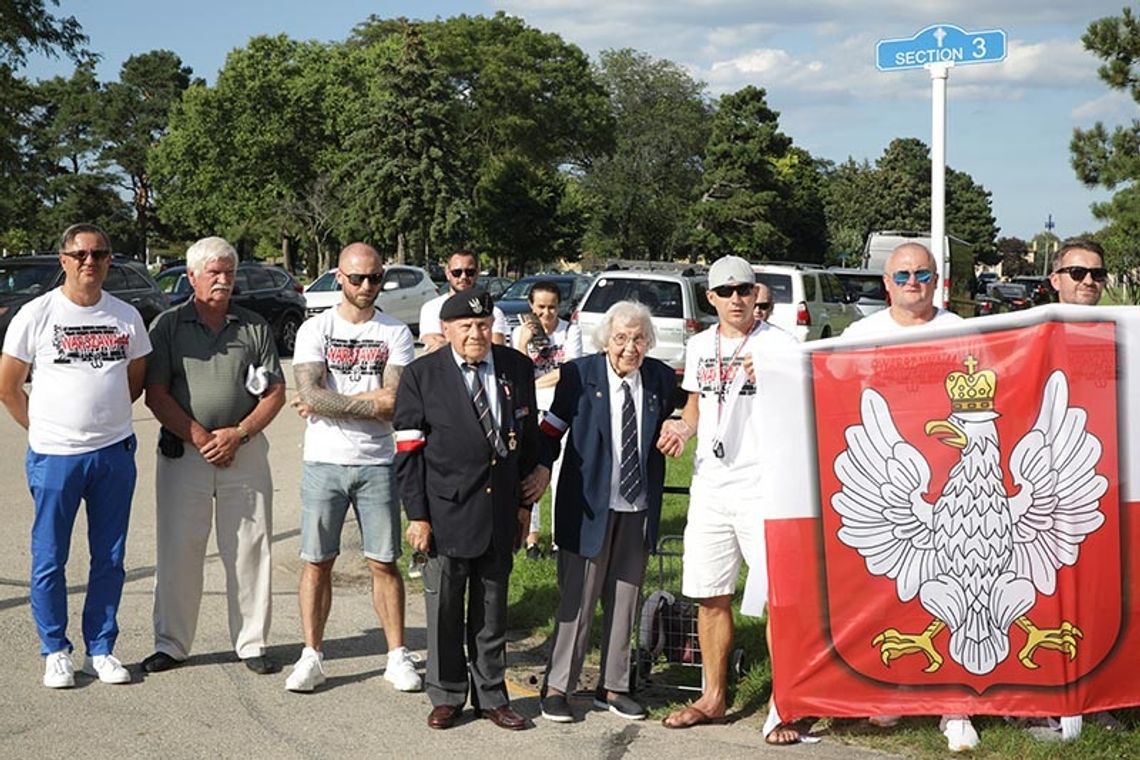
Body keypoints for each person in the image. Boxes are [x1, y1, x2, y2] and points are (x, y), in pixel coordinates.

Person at [655, 256, 800, 743]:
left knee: (779, 599)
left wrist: (780, 374)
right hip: (711, 484)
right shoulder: (699, 345)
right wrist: (682, 426)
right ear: (711, 297)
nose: (737, 299)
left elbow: (807, 403)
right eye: (727, 291)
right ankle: (713, 696)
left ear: (756, 294)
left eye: (744, 290)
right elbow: (695, 404)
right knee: (710, 592)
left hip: (764, 484)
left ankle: (785, 703)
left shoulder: (781, 344)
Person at [0, 223, 151, 688]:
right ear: (63, 260)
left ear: (109, 261)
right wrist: (44, 429)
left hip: (112, 454)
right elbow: (8, 386)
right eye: (81, 254)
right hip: (55, 456)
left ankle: (101, 648)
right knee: (50, 557)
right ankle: (55, 650)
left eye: (100, 254)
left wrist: (101, 419)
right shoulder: (36, 314)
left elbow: (136, 380)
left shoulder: (126, 316)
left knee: (110, 556)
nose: (91, 261)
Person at [839, 243, 976, 752]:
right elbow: (825, 391)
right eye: (903, 274)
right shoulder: (859, 335)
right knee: (889, 592)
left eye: (922, 273)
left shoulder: (962, 330)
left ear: (937, 280)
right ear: (886, 284)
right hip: (889, 484)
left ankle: (956, 705)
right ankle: (890, 691)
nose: (913, 281)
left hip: (957, 487)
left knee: (961, 595)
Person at [394, 288, 542, 731]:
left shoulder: (517, 367)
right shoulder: (422, 375)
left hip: (500, 509)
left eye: (482, 325)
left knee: (492, 609)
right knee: (444, 611)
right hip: (445, 511)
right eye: (466, 326)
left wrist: (523, 507)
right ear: (447, 330)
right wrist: (417, 515)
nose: (476, 333)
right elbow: (408, 453)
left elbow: (528, 438)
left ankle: (492, 696)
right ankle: (447, 694)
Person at [142, 236, 286, 676]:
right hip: (185, 453)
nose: (223, 279)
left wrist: (237, 433)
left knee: (249, 547)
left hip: (242, 452)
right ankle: (172, 643)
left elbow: (275, 391)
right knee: (179, 549)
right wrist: (201, 435)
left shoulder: (253, 327)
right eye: (213, 272)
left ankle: (252, 642)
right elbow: (155, 394)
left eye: (228, 272)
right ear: (191, 277)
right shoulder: (168, 326)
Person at [284, 243, 421, 693]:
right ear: (339, 276)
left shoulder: (396, 331)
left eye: (375, 278)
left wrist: (330, 402)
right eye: (357, 278)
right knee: (317, 561)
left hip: (378, 462)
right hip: (323, 460)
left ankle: (397, 656)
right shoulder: (314, 328)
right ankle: (312, 655)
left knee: (384, 562)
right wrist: (368, 401)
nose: (366, 287)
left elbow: (396, 403)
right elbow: (308, 393)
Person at [534, 300, 675, 723]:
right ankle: (558, 684)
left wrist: (680, 423)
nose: (630, 347)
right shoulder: (580, 375)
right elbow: (551, 429)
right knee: (578, 597)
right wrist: (541, 468)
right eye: (621, 338)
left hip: (637, 506)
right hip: (588, 505)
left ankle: (613, 686)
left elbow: (689, 406)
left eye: (638, 339)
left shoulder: (660, 378)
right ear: (606, 340)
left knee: (626, 598)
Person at [511, 280, 582, 558]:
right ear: (531, 306)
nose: (546, 314)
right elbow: (516, 372)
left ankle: (557, 538)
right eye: (540, 308)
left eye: (552, 308)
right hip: (531, 412)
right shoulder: (520, 331)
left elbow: (569, 371)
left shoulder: (570, 332)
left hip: (559, 409)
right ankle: (531, 538)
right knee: (531, 471)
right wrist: (522, 343)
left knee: (558, 474)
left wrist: (535, 383)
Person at [418, 251, 507, 351]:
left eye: (470, 272)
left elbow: (496, 347)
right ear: (447, 273)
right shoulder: (431, 308)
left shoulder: (492, 311)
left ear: (477, 273)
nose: (463, 277)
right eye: (457, 272)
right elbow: (434, 344)